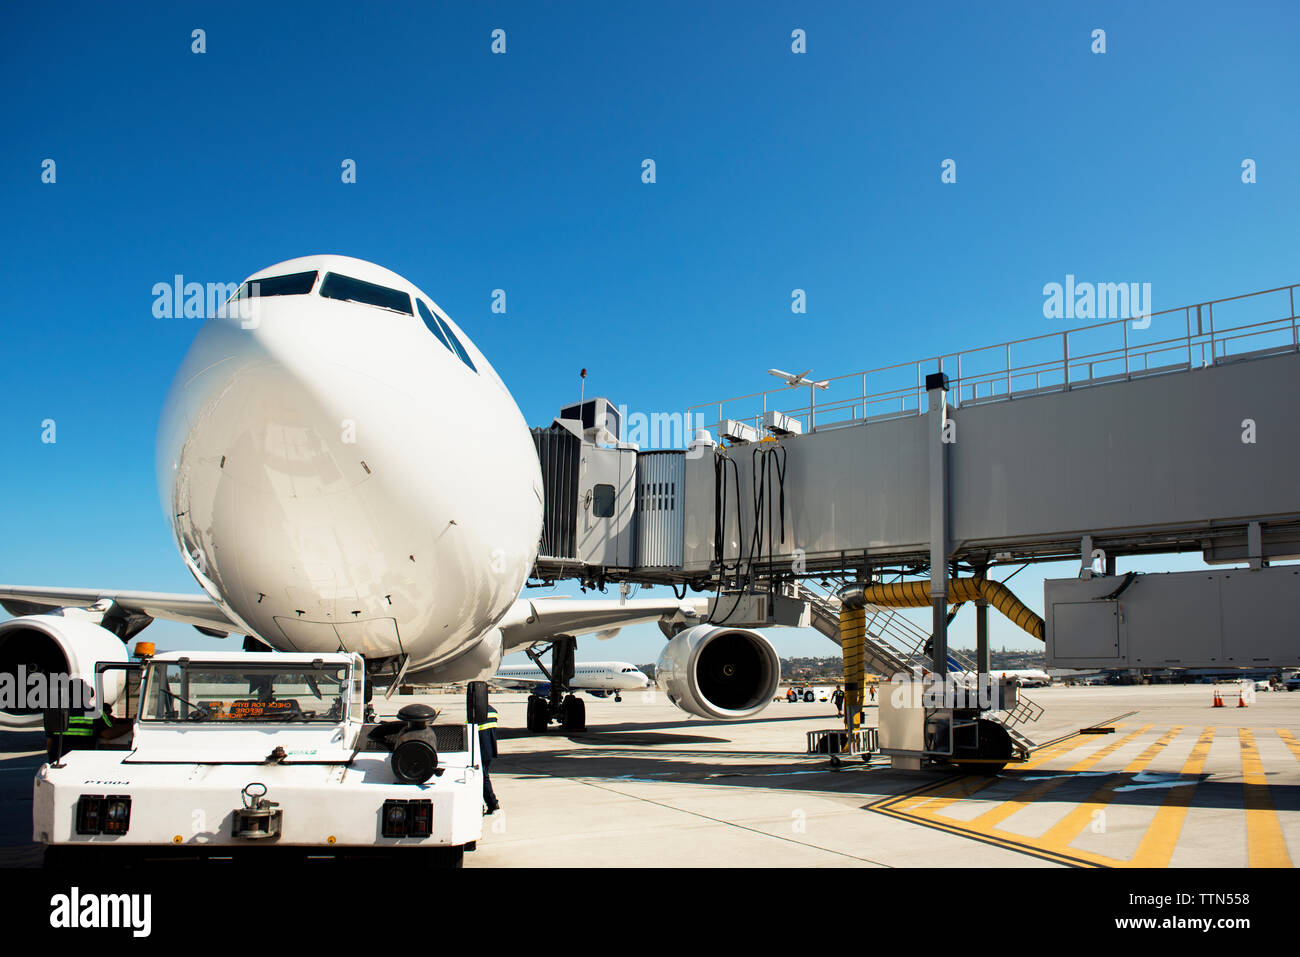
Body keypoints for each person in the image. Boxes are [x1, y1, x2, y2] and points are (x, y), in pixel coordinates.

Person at [478, 702, 500, 814]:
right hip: (490, 748)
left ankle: (490, 803)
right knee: (484, 776)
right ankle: (491, 803)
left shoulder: (476, 713)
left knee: (480, 777)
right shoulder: (493, 711)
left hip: (480, 749)